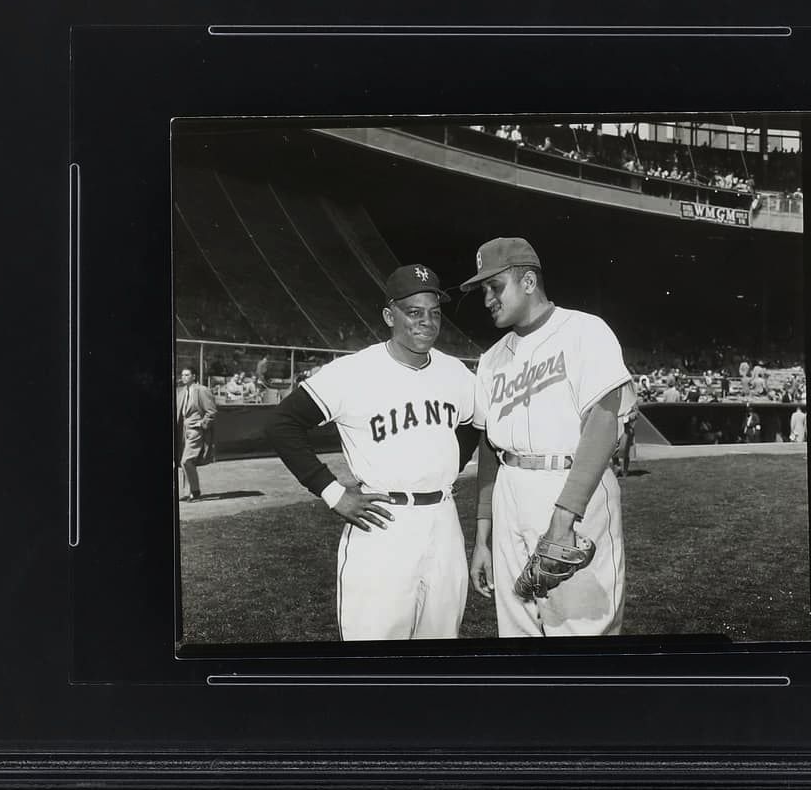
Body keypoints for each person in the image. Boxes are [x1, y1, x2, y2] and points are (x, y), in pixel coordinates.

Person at [264, 264, 479, 641]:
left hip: (443, 520)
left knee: (442, 642)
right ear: (389, 316)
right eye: (414, 312)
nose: (427, 322)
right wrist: (333, 493)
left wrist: (446, 466)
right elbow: (282, 423)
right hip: (383, 520)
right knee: (373, 646)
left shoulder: (455, 372)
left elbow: (473, 424)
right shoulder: (353, 371)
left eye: (434, 313)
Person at [459, 238, 635, 637]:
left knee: (581, 630)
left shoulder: (586, 330)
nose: (487, 299)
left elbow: (603, 422)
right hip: (509, 489)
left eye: (495, 287)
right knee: (515, 631)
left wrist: (563, 517)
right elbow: (489, 448)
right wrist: (483, 538)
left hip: (571, 486)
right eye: (483, 291)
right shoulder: (491, 359)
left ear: (527, 281)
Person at [175, 368, 218, 500]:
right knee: (184, 462)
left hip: (196, 431)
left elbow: (211, 411)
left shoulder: (202, 390)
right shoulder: (181, 391)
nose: (184, 377)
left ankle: (195, 491)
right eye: (182, 375)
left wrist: (201, 424)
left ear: (194, 376)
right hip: (183, 431)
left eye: (187, 375)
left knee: (186, 461)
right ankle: (190, 492)